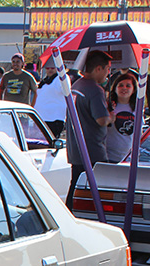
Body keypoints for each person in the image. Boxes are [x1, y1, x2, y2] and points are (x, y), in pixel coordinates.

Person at [65, 50, 114, 208]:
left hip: (75, 148)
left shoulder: (76, 85)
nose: (108, 73)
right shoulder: (94, 89)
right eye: (107, 69)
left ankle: (70, 214)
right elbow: (101, 120)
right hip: (92, 151)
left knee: (76, 187)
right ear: (98, 68)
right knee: (97, 192)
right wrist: (111, 117)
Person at [106, 71, 139, 163]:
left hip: (129, 157)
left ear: (134, 90)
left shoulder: (138, 108)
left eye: (128, 86)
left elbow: (139, 134)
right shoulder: (108, 106)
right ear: (115, 88)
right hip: (108, 156)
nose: (124, 88)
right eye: (120, 85)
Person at [35, 65, 66, 138]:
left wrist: (62, 73)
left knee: (51, 141)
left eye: (52, 68)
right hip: (42, 118)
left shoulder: (60, 79)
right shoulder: (45, 81)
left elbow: (65, 89)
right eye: (48, 68)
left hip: (54, 119)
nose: (50, 70)